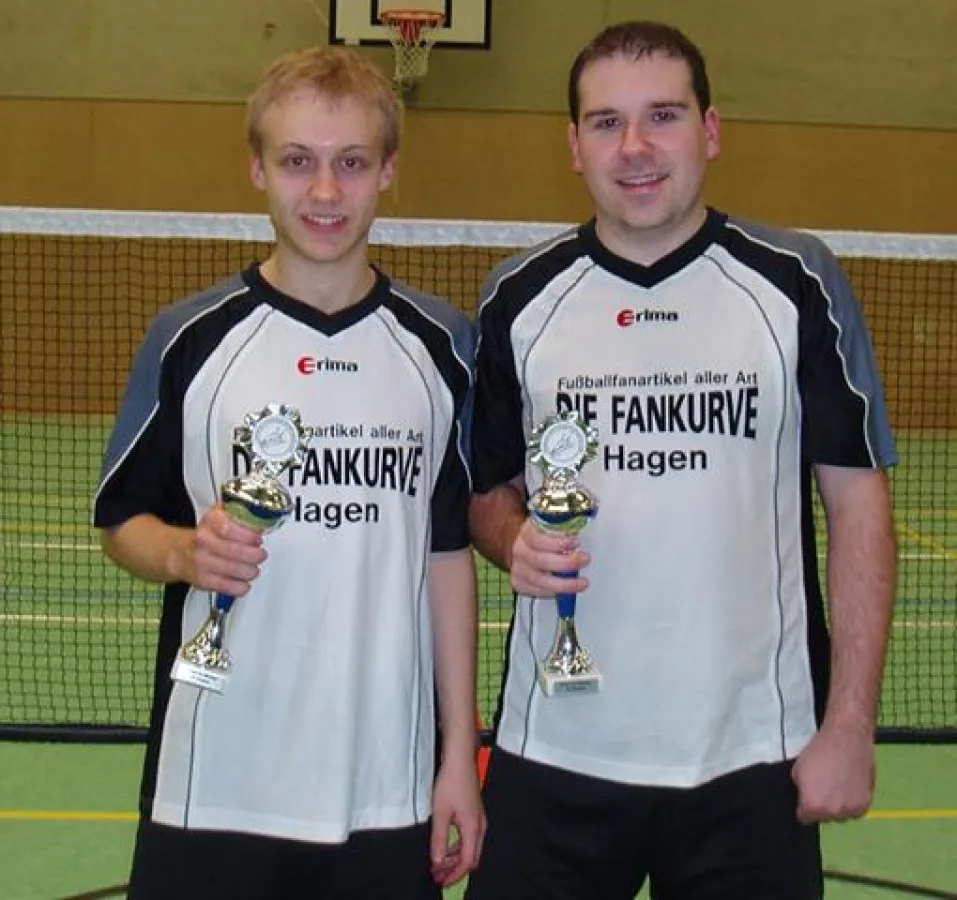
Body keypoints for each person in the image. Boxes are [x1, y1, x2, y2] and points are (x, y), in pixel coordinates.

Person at [466, 20, 897, 900]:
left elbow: (858, 508)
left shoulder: (797, 283)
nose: (634, 147)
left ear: (709, 130)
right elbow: (484, 493)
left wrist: (848, 726)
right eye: (604, 122)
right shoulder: (518, 298)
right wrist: (513, 540)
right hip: (554, 751)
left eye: (662, 115)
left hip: (751, 757)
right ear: (573, 145)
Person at [94, 46, 484, 899]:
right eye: (297, 162)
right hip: (212, 784)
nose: (324, 192)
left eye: (350, 163)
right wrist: (182, 555)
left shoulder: (443, 348)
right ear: (257, 169)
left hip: (382, 784)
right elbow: (122, 518)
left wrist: (459, 757)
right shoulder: (188, 341)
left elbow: (447, 559)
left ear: (387, 172)